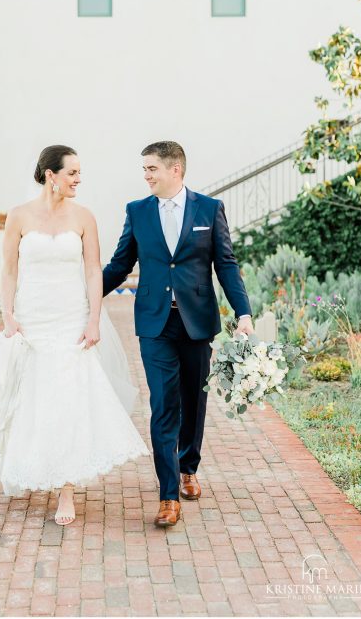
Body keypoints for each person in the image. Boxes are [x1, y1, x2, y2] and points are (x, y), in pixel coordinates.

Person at [0, 144, 149, 526]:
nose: (78, 179)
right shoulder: (19, 217)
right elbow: (9, 270)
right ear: (50, 174)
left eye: (79, 173)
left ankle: (67, 490)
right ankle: (32, 465)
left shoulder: (85, 218)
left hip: (71, 318)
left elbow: (94, 271)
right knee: (33, 397)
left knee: (70, 398)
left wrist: (93, 319)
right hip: (32, 317)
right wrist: (7, 315)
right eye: (72, 173)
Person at [103, 141, 254, 528]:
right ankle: (168, 494)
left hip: (197, 322)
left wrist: (244, 312)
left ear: (176, 170)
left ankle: (189, 466)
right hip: (155, 324)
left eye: (152, 168)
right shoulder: (137, 212)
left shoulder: (209, 208)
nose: (146, 175)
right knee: (164, 405)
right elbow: (121, 264)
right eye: (144, 169)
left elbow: (226, 264)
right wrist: (85, 297)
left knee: (193, 401)